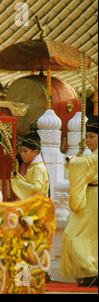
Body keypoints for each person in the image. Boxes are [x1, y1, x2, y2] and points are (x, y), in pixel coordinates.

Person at [60, 115, 98, 287]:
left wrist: (73, 161)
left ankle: (91, 272)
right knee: (80, 235)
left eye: (92, 136)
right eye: (87, 136)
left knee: (75, 235)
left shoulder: (94, 157)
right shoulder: (91, 156)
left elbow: (86, 163)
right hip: (89, 196)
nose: (88, 140)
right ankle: (90, 272)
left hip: (93, 199)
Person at [10, 131, 49, 199]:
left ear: (35, 152)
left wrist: (18, 182)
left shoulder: (37, 167)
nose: (22, 154)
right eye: (21, 151)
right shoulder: (33, 166)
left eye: (25, 151)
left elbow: (36, 188)